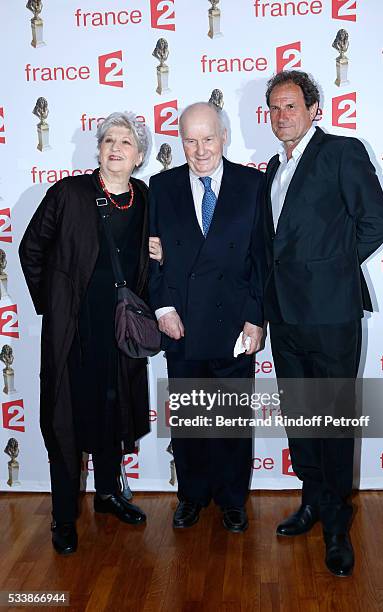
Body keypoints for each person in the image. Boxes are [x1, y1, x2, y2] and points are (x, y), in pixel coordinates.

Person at [263, 70, 383, 576]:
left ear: (314, 109)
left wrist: (333, 273)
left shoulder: (342, 152)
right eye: (273, 108)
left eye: (290, 106)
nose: (281, 116)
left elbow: (376, 220)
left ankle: (338, 524)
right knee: (301, 416)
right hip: (285, 316)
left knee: (334, 421)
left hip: (331, 313)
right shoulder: (274, 168)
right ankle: (313, 501)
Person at [19, 112, 162, 555]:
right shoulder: (68, 193)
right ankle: (64, 516)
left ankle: (107, 495)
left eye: (125, 142)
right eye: (108, 141)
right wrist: (55, 302)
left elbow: (152, 256)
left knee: (113, 413)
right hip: (74, 334)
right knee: (67, 422)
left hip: (120, 333)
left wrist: (157, 254)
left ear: (139, 156)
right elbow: (31, 249)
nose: (115, 147)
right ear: (98, 150)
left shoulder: (144, 197)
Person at [149, 102, 265, 533]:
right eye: (190, 140)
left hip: (234, 323)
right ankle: (192, 496)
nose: (199, 150)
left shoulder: (253, 184)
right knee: (189, 420)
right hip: (181, 324)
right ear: (180, 141)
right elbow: (151, 259)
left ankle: (233, 501)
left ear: (224, 137)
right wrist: (162, 308)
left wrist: (255, 317)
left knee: (233, 419)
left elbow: (260, 258)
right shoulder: (160, 187)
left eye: (208, 138)